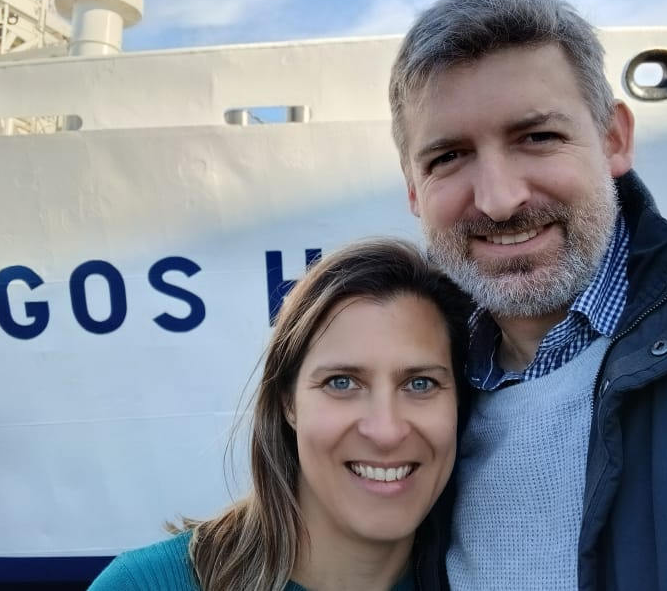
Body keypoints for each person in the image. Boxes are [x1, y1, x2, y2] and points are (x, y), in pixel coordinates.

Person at [389, 0, 667, 590]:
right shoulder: (414, 405)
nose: (499, 199)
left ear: (614, 139)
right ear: (414, 190)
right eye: (448, 157)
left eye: (537, 137)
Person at [89, 237, 474, 591]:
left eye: (420, 383)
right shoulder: (143, 585)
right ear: (287, 402)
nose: (386, 430)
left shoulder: (490, 577)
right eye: (341, 383)